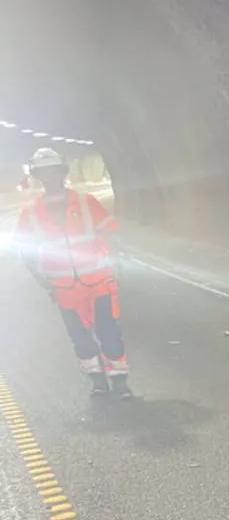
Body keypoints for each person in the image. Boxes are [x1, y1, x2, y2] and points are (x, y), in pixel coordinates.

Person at [13, 147, 132, 397]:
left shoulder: (85, 202)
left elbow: (110, 231)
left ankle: (119, 381)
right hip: (64, 286)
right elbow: (25, 249)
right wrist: (39, 276)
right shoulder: (30, 213)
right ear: (38, 175)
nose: (50, 177)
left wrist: (118, 259)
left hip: (99, 280)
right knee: (80, 337)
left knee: (109, 332)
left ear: (62, 172)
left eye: (53, 170)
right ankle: (97, 380)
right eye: (44, 172)